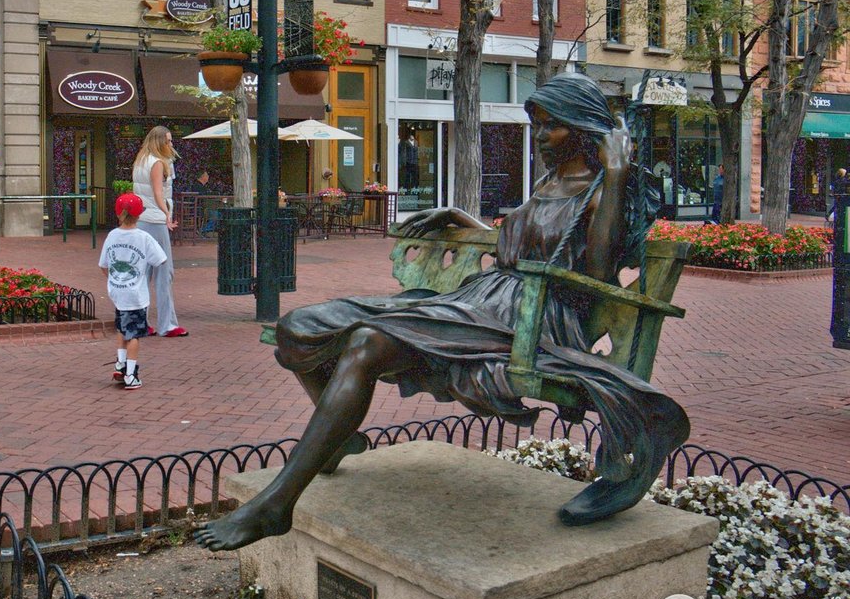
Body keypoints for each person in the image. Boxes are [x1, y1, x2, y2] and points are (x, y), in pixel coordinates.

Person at [194, 73, 690, 552]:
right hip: (479, 302)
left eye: (550, 124)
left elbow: (597, 276)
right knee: (296, 327)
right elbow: (524, 242)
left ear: (582, 129)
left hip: (529, 319)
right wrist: (462, 220)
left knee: (365, 343)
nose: (539, 135)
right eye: (535, 123)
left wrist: (619, 171)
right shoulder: (549, 180)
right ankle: (336, 438)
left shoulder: (603, 188)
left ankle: (276, 505)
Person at [99, 193, 168, 389]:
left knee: (122, 328)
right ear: (139, 215)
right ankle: (130, 374)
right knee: (135, 335)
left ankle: (120, 364)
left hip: (117, 292)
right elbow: (160, 259)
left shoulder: (112, 235)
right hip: (136, 294)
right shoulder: (143, 237)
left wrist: (114, 279)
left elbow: (103, 265)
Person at [132, 126, 188, 337]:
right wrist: (167, 215)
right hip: (155, 220)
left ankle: (140, 323)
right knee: (164, 272)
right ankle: (168, 324)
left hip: (142, 220)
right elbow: (158, 193)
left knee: (143, 273)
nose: (171, 145)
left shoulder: (141, 161)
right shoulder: (157, 162)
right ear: (159, 142)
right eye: (168, 141)